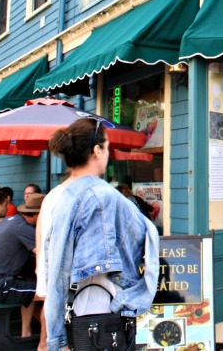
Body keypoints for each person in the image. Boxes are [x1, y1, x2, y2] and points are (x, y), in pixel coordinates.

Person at [42, 117, 160, 350]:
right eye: (106, 147)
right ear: (96, 150)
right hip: (105, 307)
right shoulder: (105, 197)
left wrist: (55, 336)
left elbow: (57, 270)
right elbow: (145, 239)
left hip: (77, 309)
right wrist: (131, 298)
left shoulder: (60, 197)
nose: (108, 153)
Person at [0, 193, 45, 340]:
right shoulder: (23, 228)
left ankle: (27, 333)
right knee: (50, 293)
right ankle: (46, 343)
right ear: (38, 214)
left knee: (30, 285)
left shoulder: (10, 221)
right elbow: (46, 255)